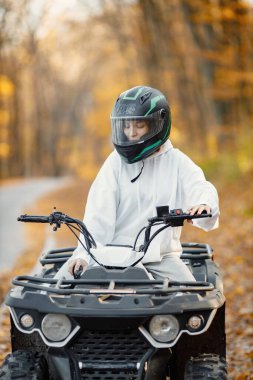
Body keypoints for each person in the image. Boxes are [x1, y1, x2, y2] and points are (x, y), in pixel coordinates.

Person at [61, 86, 219, 281]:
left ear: (157, 124)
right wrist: (83, 256)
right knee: (57, 287)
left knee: (191, 298)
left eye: (139, 125)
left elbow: (200, 187)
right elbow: (97, 216)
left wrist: (204, 204)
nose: (131, 133)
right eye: (126, 126)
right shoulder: (115, 163)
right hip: (108, 256)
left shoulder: (177, 162)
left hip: (160, 259)